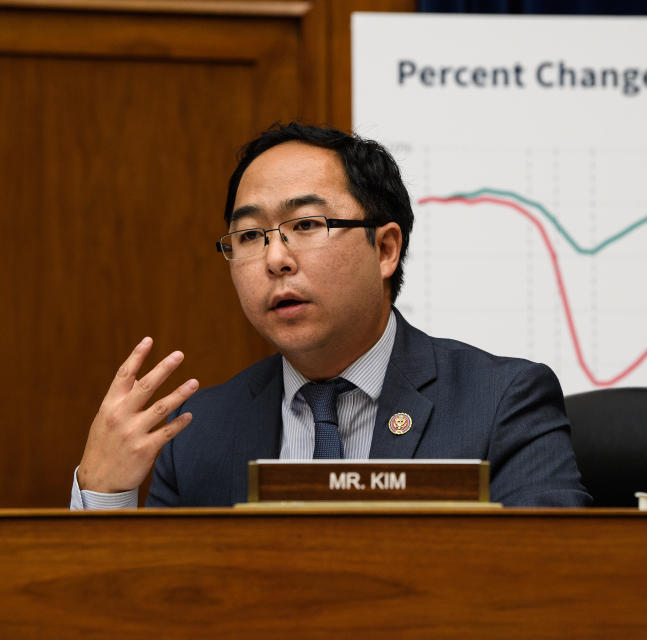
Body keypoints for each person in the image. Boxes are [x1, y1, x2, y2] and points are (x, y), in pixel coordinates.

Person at [71, 123, 591, 508]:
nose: (275, 259)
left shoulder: (500, 402)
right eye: (250, 236)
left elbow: (554, 584)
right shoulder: (198, 433)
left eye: (306, 224)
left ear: (386, 250)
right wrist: (103, 493)